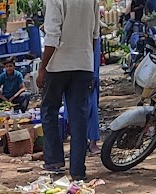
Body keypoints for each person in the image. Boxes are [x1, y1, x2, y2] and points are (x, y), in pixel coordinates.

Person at [39, 0, 100, 179]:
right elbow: (95, 35)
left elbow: (52, 36)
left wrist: (42, 68)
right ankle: (78, 170)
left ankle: (54, 160)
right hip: (83, 64)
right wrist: (89, 63)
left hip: (57, 65)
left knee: (49, 110)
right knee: (78, 117)